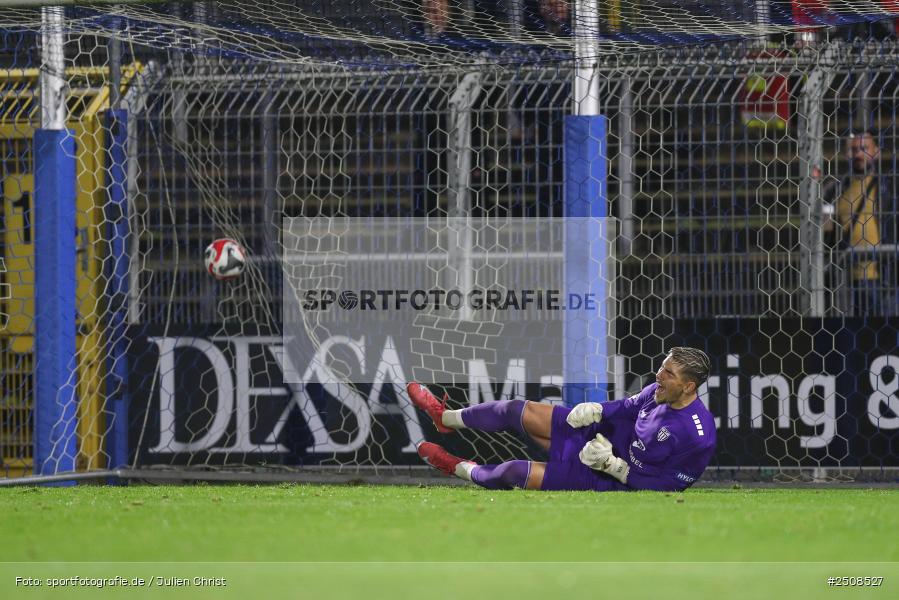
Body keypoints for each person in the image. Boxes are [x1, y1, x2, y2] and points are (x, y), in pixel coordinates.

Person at [408, 346, 716, 492]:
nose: (659, 375)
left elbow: (669, 486)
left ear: (689, 387)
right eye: (662, 367)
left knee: (513, 472)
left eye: (668, 373)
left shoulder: (698, 436)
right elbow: (625, 407)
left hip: (610, 478)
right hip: (601, 437)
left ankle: (456, 466)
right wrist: (598, 410)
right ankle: (444, 417)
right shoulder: (658, 390)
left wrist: (617, 468)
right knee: (514, 410)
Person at [824, 130, 898, 315]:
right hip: (847, 280)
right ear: (846, 154)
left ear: (876, 152)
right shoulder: (836, 189)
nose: (858, 154)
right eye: (854, 149)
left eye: (864, 148)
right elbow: (827, 230)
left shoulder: (888, 187)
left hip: (884, 278)